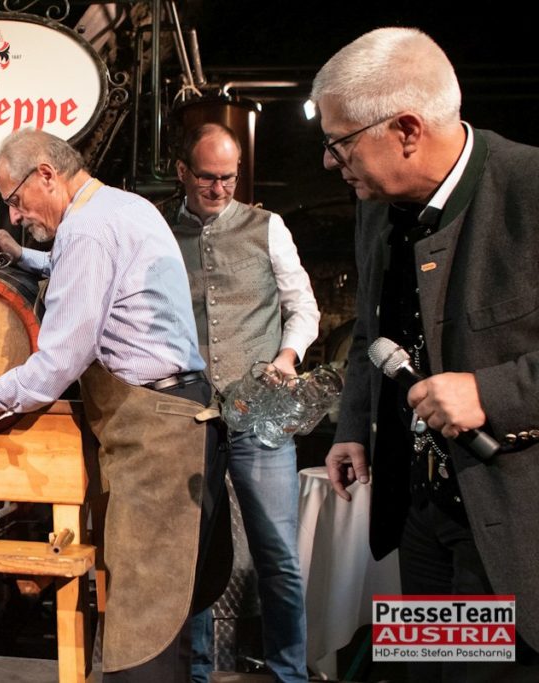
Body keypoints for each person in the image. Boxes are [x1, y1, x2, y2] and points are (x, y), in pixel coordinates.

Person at [0, 128, 227, 681]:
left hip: (157, 436)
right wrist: (27, 259)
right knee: (160, 616)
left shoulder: (88, 232)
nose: (15, 216)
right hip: (179, 420)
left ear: (46, 172)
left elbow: (55, 364)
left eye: (16, 200)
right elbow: (96, 274)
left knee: (145, 631)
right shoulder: (118, 208)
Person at [313, 27, 539, 680]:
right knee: (429, 666)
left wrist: (489, 394)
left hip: (509, 524)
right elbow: (368, 333)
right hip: (419, 515)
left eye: (340, 142)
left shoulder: (531, 189)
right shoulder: (375, 205)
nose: (331, 162)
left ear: (407, 129)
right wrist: (353, 427)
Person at [172, 122, 319, 683]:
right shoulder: (162, 231)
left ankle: (290, 674)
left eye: (229, 177)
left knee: (277, 554)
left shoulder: (267, 227)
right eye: (207, 177)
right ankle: (199, 673)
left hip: (259, 413)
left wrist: (288, 355)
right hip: (190, 415)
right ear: (183, 172)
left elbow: (301, 305)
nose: (219, 188)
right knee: (198, 557)